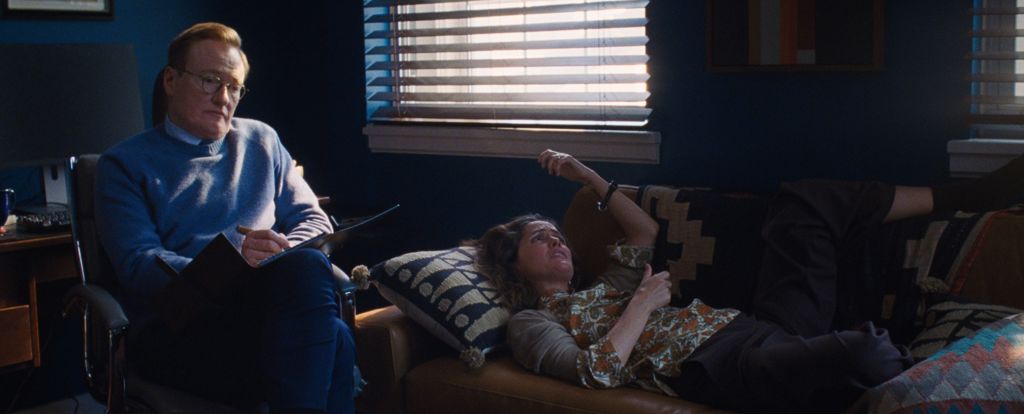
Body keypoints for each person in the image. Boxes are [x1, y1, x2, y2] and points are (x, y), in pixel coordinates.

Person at [475, 149, 1024, 413]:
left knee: (800, 207)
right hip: (714, 365)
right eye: (540, 239)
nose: (558, 241)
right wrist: (641, 304)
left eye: (558, 235)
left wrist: (586, 174)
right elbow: (593, 374)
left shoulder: (601, 286)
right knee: (864, 353)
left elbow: (644, 228)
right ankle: (949, 376)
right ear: (514, 266)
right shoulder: (533, 322)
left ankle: (968, 196)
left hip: (752, 327)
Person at [95, 22, 355, 414]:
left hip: (263, 315)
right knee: (332, 338)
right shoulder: (122, 164)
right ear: (171, 80)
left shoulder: (262, 140)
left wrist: (277, 252)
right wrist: (230, 261)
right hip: (179, 327)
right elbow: (138, 264)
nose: (223, 98)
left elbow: (315, 220)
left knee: (309, 274)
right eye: (209, 81)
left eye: (234, 87)